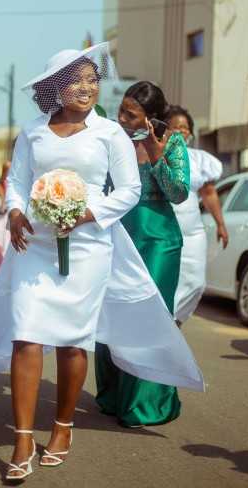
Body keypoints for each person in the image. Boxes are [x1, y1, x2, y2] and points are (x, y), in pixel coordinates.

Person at [0, 45, 204, 481]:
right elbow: (17, 181)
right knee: (26, 336)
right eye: (77, 80)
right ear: (56, 86)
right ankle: (21, 439)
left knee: (74, 342)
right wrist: (15, 211)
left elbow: (127, 191)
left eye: (93, 80)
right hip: (33, 242)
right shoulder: (33, 131)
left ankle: (62, 427)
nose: (88, 88)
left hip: (90, 244)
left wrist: (88, 215)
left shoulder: (110, 133)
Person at [95, 80, 190, 427]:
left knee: (147, 316)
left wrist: (155, 154)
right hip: (118, 235)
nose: (121, 117)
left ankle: (147, 404)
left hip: (159, 241)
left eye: (130, 114)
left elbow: (179, 193)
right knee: (114, 314)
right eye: (120, 110)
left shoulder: (173, 142)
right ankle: (113, 395)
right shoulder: (111, 140)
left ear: (151, 118)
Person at [166, 105, 229, 326]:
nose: (181, 131)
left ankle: (175, 322)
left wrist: (221, 224)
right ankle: (161, 323)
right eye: (176, 127)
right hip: (163, 228)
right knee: (163, 281)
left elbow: (209, 193)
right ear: (164, 129)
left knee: (196, 282)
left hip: (192, 231)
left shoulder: (199, 159)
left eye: (185, 128)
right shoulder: (156, 153)